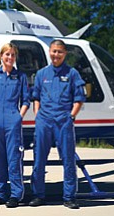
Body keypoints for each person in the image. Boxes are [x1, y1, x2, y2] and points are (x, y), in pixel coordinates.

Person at [29, 39, 86, 209]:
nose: (56, 55)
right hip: (44, 122)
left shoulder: (72, 73)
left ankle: (69, 197)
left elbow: (79, 98)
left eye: (59, 52)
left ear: (65, 54)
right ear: (49, 52)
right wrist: (37, 115)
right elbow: (36, 97)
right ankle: (38, 195)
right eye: (54, 51)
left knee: (68, 159)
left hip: (63, 122)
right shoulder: (41, 74)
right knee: (39, 159)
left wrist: (71, 116)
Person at [0, 43, 30, 208]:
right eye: (7, 54)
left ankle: (16, 195)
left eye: (13, 55)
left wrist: (19, 117)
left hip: (12, 122)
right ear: (1, 56)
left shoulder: (21, 77)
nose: (10, 58)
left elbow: (26, 100)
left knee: (14, 159)